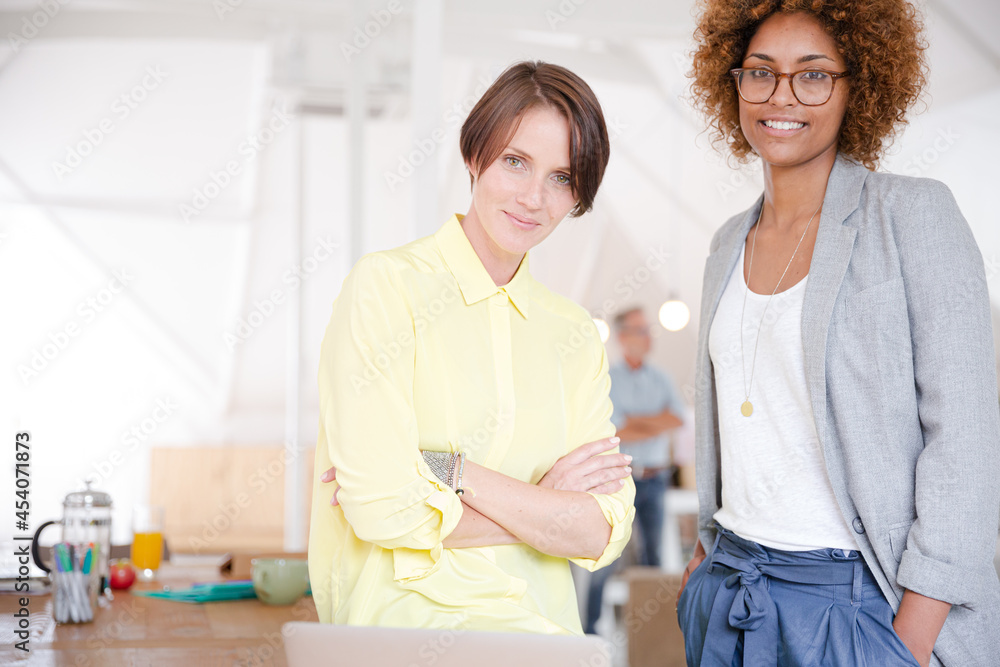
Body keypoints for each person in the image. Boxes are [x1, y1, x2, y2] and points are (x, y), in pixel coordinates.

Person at [678, 1, 1000, 665]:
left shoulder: (911, 215)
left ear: (861, 87)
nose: (782, 96)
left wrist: (904, 642)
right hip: (731, 590)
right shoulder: (723, 245)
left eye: (814, 74)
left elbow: (966, 442)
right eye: (760, 73)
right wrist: (701, 563)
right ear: (732, 84)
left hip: (859, 604)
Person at [307, 61, 636, 635]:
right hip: (406, 632)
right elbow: (381, 508)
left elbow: (604, 531)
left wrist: (449, 470)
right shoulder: (386, 287)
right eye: (516, 162)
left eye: (561, 178)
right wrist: (543, 507)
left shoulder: (574, 333)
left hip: (544, 637)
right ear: (473, 155)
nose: (534, 198)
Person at [584, 307, 684, 634]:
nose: (648, 336)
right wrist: (653, 421)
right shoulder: (607, 378)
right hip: (618, 480)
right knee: (606, 554)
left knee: (653, 558)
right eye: (640, 330)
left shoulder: (662, 377)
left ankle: (652, 635)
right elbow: (617, 430)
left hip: (655, 480)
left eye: (648, 329)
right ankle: (591, 630)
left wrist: (636, 422)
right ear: (624, 336)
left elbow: (676, 419)